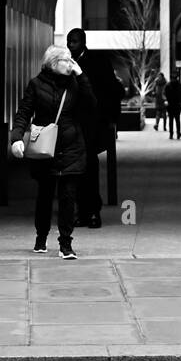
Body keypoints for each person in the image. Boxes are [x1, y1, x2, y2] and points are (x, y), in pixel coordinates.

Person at [10, 44, 97, 259]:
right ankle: (41, 238)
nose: (70, 64)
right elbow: (24, 113)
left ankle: (65, 244)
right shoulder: (36, 85)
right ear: (53, 63)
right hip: (45, 149)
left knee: (68, 197)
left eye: (71, 60)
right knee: (45, 196)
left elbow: (91, 105)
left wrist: (82, 76)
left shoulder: (76, 83)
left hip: (71, 148)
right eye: (66, 60)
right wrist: (16, 138)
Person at [65, 28, 121, 228]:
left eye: (74, 41)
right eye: (69, 41)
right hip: (72, 123)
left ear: (83, 42)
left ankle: (93, 211)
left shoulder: (98, 61)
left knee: (89, 167)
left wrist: (111, 119)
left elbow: (112, 89)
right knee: (76, 169)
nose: (70, 45)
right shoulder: (65, 63)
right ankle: (81, 211)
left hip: (91, 123)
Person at [164, 71, 181, 140]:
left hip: (172, 104)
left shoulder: (168, 85)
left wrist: (166, 100)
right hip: (175, 104)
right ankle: (176, 133)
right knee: (176, 119)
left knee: (172, 120)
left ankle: (173, 133)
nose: (173, 80)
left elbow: (164, 94)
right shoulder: (180, 85)